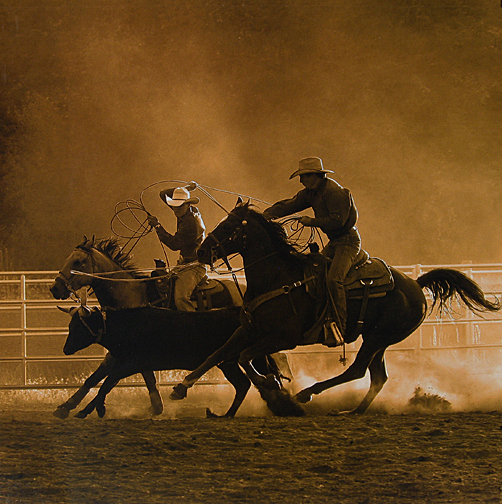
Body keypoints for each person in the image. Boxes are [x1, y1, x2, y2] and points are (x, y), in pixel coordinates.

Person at [262, 157, 361, 346]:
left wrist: (312, 221)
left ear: (315, 176)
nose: (301, 181)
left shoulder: (335, 192)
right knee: (314, 274)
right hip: (335, 242)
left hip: (347, 242)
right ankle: (322, 319)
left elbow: (338, 221)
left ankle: (340, 327)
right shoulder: (311, 193)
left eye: (304, 176)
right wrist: (265, 215)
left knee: (334, 279)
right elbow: (289, 204)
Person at [147, 184, 207, 311]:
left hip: (195, 267)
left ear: (187, 204)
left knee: (181, 299)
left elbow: (174, 244)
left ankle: (193, 325)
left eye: (179, 206)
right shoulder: (186, 211)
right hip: (184, 264)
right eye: (173, 206)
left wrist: (157, 226)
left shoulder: (191, 224)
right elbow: (163, 193)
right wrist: (185, 190)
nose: (175, 210)